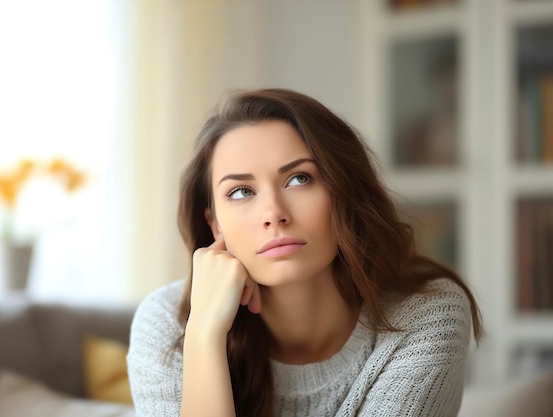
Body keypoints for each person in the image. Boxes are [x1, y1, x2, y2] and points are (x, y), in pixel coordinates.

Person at [127, 88, 483, 417]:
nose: (274, 214)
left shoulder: (428, 313)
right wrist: (204, 335)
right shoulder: (166, 324)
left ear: (344, 192)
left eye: (299, 179)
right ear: (215, 224)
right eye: (240, 192)